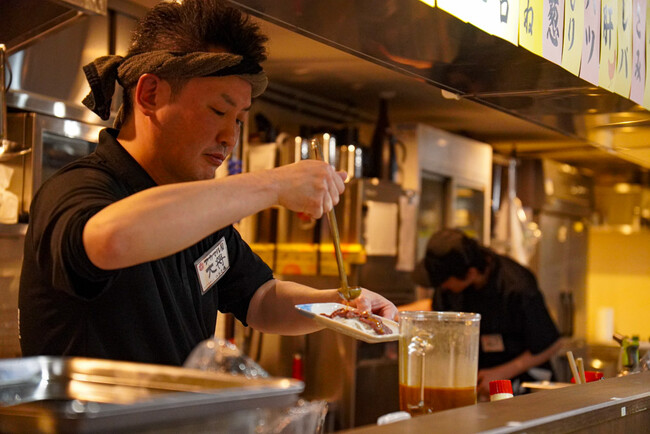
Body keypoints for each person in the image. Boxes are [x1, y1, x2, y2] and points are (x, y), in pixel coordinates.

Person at [18, 0, 397, 366]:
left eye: (238, 120)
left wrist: (338, 307)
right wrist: (271, 184)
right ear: (150, 95)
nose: (229, 137)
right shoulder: (77, 188)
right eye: (218, 110)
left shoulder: (202, 213)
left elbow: (261, 299)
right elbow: (112, 239)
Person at [401, 228, 561, 399]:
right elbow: (435, 309)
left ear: (471, 273)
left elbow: (551, 343)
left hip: (524, 388)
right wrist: (393, 313)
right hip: (481, 387)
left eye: (444, 282)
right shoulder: (456, 284)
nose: (442, 288)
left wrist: (500, 373)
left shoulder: (517, 287)